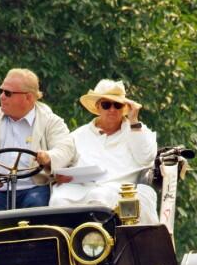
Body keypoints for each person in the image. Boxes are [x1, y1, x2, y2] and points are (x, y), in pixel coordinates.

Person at [0, 68, 76, 214]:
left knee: (38, 209)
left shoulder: (51, 121)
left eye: (8, 93)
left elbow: (66, 148)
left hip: (36, 189)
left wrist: (49, 157)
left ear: (29, 98)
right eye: (1, 91)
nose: (1, 97)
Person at [49, 79, 158, 224]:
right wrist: (58, 175)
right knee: (58, 199)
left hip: (119, 191)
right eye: (106, 105)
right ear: (98, 107)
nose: (112, 109)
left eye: (117, 105)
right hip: (80, 189)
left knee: (99, 196)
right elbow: (59, 162)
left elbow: (146, 158)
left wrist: (134, 121)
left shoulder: (137, 130)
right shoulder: (78, 135)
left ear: (124, 108)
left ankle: (96, 244)